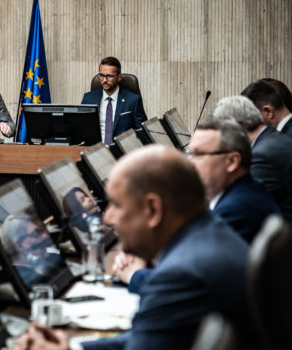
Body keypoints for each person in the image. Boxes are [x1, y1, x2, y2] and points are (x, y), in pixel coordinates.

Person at [14, 145, 275, 350]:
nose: (108, 217)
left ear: (152, 210)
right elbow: (150, 339)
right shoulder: (208, 235)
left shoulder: (181, 274)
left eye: (116, 205)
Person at [115, 119, 281, 291]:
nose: (189, 163)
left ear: (232, 161)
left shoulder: (237, 209)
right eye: (189, 153)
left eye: (198, 154)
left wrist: (134, 274)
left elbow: (184, 279)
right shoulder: (242, 194)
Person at [212, 95, 292, 224]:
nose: (221, 141)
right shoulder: (274, 138)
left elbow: (246, 206)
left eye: (222, 133)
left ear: (236, 126)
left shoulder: (262, 155)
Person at [81, 57, 147, 144]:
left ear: (119, 77)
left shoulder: (133, 100)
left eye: (109, 76)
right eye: (101, 75)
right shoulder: (88, 98)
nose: (104, 80)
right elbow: (81, 129)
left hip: (122, 149)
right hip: (95, 149)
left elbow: (143, 132)